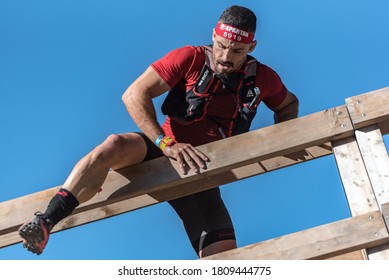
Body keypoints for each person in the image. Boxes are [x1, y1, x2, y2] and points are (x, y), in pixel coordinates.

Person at [19, 5, 299, 258]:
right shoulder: (190, 58)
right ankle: (46, 221)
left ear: (252, 46)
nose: (225, 56)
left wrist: (281, 141)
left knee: (225, 262)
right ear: (213, 35)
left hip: (201, 173)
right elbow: (134, 93)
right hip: (161, 150)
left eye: (237, 51)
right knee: (113, 144)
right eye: (221, 45)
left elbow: (288, 104)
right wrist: (165, 143)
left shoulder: (263, 78)